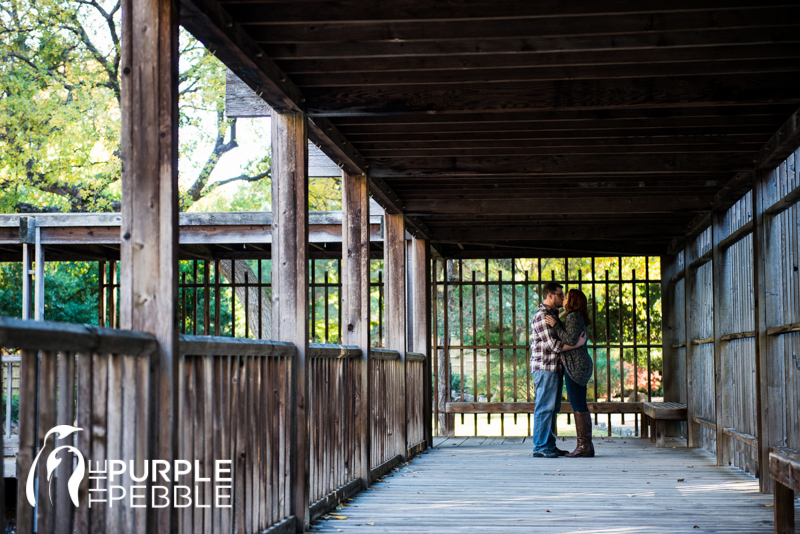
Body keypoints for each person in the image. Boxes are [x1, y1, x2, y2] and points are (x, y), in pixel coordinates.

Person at [530, 282, 587, 458]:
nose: (563, 298)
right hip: (545, 367)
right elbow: (554, 346)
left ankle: (549, 445)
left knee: (553, 408)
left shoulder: (554, 316)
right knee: (544, 407)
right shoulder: (542, 316)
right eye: (560, 295)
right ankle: (540, 446)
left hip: (554, 368)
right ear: (550, 296)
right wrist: (576, 344)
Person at [545, 288, 595, 457]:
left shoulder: (573, 317)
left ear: (573, 301)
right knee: (579, 403)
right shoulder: (575, 317)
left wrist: (555, 325)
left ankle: (584, 446)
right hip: (578, 363)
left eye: (567, 297)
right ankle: (585, 445)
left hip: (576, 365)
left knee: (578, 404)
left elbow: (570, 339)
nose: (564, 299)